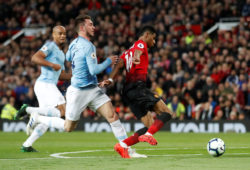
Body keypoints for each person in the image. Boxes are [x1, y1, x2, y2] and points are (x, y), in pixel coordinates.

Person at [23, 14, 145, 158]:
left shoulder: (74, 43)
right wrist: (108, 61)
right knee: (68, 127)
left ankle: (126, 149)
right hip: (78, 92)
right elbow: (94, 70)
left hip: (92, 89)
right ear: (82, 27)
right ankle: (38, 118)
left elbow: (68, 57)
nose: (94, 27)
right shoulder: (88, 46)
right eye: (91, 24)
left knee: (112, 116)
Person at [100, 26, 175, 158]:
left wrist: (111, 79)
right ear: (147, 35)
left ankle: (123, 145)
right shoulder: (141, 44)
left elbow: (119, 65)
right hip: (138, 88)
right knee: (167, 113)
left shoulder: (126, 52)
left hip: (128, 92)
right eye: (154, 38)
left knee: (150, 125)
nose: (154, 42)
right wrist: (137, 57)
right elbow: (138, 51)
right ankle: (148, 135)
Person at [15, 26, 71, 152]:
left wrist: (76, 76)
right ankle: (28, 110)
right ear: (53, 34)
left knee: (49, 119)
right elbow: (35, 58)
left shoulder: (62, 54)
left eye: (64, 34)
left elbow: (61, 74)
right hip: (45, 84)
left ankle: (27, 145)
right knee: (62, 111)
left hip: (46, 86)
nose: (62, 36)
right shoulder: (50, 45)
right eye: (59, 33)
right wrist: (51, 64)